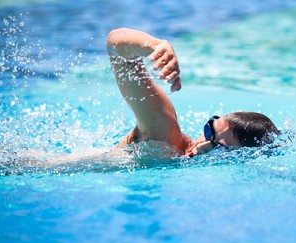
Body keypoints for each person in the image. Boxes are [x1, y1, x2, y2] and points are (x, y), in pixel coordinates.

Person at [107, 28, 279, 158]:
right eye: (208, 131)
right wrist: (155, 46)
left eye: (217, 147)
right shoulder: (165, 137)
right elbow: (115, 42)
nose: (201, 145)